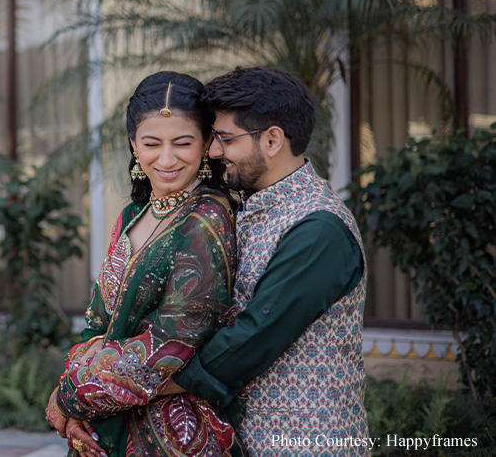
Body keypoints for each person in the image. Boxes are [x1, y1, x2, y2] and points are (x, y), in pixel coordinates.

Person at [167, 66, 369, 456]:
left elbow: (255, 334)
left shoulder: (318, 227)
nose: (214, 152)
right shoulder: (248, 209)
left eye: (225, 139)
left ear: (273, 140)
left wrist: (148, 384)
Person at [45, 71, 245, 457]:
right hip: (103, 420)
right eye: (152, 143)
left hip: (171, 431)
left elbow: (170, 344)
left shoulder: (206, 219)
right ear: (134, 145)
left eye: (183, 143)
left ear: (205, 144)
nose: (166, 159)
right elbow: (97, 323)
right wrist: (74, 407)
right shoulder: (132, 215)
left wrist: (67, 399)